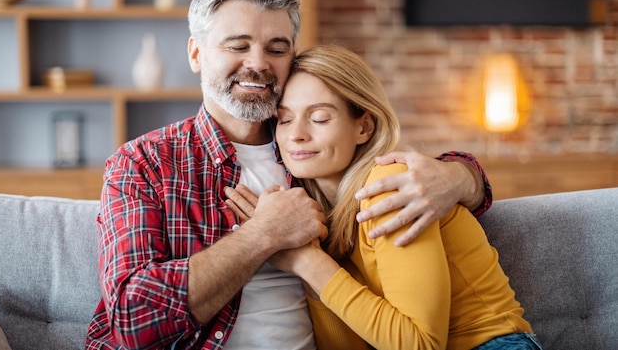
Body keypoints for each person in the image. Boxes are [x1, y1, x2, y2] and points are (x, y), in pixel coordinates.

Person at [85, 0, 492, 349]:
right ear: (196, 54)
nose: (258, 62)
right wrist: (263, 235)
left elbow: (392, 166)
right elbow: (132, 319)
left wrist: (461, 177)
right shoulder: (145, 163)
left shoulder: (311, 153)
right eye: (238, 45)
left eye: (276, 48)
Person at [226, 45, 542, 350]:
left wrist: (307, 263)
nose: (296, 134)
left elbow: (420, 344)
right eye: (284, 119)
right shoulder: (322, 216)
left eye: (320, 118)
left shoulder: (389, 187)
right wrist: (306, 261)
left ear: (364, 126)